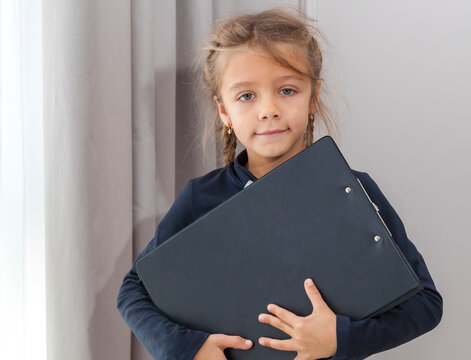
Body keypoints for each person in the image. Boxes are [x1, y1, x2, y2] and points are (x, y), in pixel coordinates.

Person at [116, 7, 443, 360]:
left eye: (287, 90)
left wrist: (340, 339)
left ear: (312, 96)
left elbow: (425, 303)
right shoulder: (201, 196)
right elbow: (134, 289)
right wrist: (187, 348)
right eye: (246, 96)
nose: (268, 109)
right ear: (224, 111)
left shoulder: (351, 188)